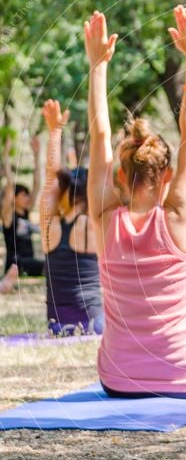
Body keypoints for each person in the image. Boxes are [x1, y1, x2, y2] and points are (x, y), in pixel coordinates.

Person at [84, 5, 186, 397]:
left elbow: (101, 137)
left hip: (118, 382)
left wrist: (98, 67)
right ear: (168, 176)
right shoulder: (178, 217)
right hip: (185, 377)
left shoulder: (105, 219)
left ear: (121, 175)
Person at [39, 99, 103, 335]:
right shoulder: (93, 224)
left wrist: (55, 132)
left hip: (57, 326)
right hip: (94, 324)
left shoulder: (49, 224)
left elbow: (51, 179)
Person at [1, 132, 44, 285]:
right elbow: (10, 187)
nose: (27, 198)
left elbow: (37, 184)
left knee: (51, 266)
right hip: (16, 264)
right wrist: (6, 155)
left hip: (29, 262)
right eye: (23, 195)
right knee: (50, 268)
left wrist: (37, 155)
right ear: (14, 198)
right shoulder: (8, 216)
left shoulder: (26, 212)